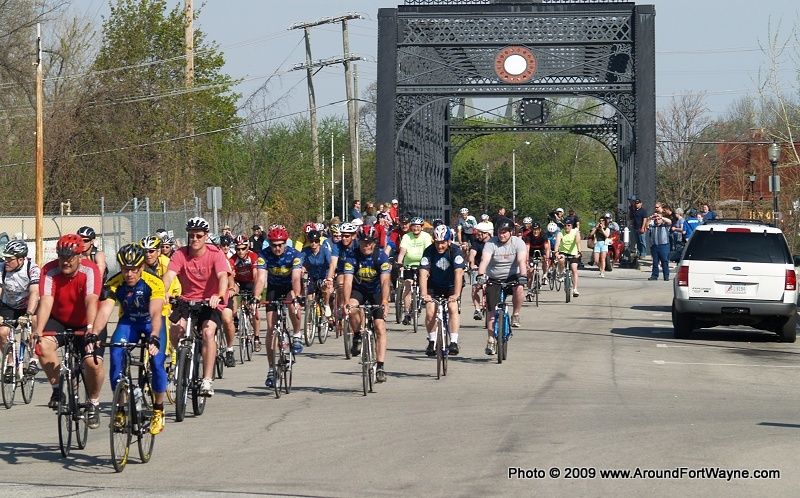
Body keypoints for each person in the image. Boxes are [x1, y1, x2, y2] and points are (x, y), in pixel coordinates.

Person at [94, 245, 167, 435]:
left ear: (142, 267)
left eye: (134, 269)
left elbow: (156, 312)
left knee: (157, 362)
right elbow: (104, 311)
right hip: (129, 323)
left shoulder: (154, 282)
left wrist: (154, 336)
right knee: (116, 354)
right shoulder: (115, 283)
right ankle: (120, 407)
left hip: (151, 323)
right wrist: (94, 333)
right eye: (125, 269)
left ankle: (158, 409)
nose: (129, 274)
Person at [33, 234, 104, 428]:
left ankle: (93, 403)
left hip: (86, 321)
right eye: (61, 257)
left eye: (70, 257)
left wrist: (90, 328)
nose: (65, 262)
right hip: (60, 319)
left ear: (79, 256)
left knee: (92, 363)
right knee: (42, 346)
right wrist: (39, 330)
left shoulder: (90, 270)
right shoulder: (49, 270)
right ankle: (58, 390)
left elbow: (91, 299)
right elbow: (46, 301)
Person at [162, 217, 230, 397]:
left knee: (208, 333)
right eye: (191, 235)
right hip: (186, 300)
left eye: (199, 236)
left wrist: (218, 295)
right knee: (175, 329)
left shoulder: (215, 253)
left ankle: (207, 379)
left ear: (206, 236)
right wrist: (164, 291)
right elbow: (169, 275)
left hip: (209, 302)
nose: (194, 239)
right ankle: (181, 359)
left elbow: (223, 277)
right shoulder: (180, 254)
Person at [253, 225, 303, 389]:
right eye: (274, 245)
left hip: (289, 287)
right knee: (270, 328)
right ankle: (271, 369)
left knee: (292, 302)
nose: (277, 248)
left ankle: (297, 334)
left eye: (280, 245)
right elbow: (261, 279)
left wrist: (297, 296)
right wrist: (256, 297)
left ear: (286, 243)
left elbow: (296, 279)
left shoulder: (294, 255)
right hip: (273, 289)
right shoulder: (264, 255)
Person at [341, 225, 391, 382]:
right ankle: (357, 335)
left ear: (374, 243)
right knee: (352, 308)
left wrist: (385, 301)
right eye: (363, 242)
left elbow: (385, 281)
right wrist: (346, 302)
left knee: (379, 326)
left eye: (369, 243)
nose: (366, 246)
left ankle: (380, 366)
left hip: (376, 292)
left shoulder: (381, 256)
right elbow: (347, 281)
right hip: (359, 290)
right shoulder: (352, 255)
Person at [476, 220, 527, 354]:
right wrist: (480, 275)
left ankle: (516, 314)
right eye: (499, 232)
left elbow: (522, 260)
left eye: (504, 232)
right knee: (491, 310)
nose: (502, 235)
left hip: (513, 276)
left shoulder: (518, 243)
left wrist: (523, 275)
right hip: (494, 278)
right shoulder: (491, 243)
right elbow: (485, 260)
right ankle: (491, 340)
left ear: (511, 232)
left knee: (519, 288)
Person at [419, 225, 464, 356]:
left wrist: (456, 294)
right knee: (430, 311)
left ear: (449, 241)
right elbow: (423, 273)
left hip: (451, 285)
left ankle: (454, 341)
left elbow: (458, 273)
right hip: (433, 285)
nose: (440, 246)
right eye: (437, 243)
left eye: (443, 243)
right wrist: (424, 294)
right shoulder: (429, 251)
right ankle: (432, 340)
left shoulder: (455, 251)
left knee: (452, 307)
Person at [0, 240, 40, 374]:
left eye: (10, 259)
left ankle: (34, 359)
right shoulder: (1, 268)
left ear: (21, 259)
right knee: (2, 332)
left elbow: (35, 292)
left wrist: (29, 314)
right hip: (10, 305)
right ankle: (11, 363)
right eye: (5, 258)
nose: (6, 261)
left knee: (35, 321)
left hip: (29, 305)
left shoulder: (32, 269)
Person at [396, 217, 433, 325]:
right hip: (409, 265)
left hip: (423, 265)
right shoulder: (406, 237)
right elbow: (402, 252)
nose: (416, 228)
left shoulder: (426, 236)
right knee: (408, 285)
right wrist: (400, 264)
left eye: (418, 226)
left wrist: (429, 265)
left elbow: (428, 252)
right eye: (414, 226)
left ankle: (420, 301)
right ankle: (407, 313)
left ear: (421, 227)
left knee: (423, 283)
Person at [299, 229, 333, 319]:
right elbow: (301, 264)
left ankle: (326, 305)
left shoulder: (325, 250)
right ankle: (311, 314)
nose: (314, 243)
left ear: (319, 242)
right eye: (311, 241)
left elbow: (331, 264)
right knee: (309, 296)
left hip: (323, 276)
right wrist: (301, 270)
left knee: (325, 288)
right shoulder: (305, 251)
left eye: (316, 241)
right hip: (312, 276)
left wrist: (330, 277)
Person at [469, 222, 493, 320]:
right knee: (475, 289)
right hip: (478, 268)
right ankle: (477, 309)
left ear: (487, 233)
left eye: (480, 233)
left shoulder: (494, 242)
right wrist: (472, 264)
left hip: (492, 269)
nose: (478, 235)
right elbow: (472, 254)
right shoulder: (476, 243)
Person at [554, 219, 582, 297]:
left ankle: (575, 289)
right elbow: (557, 243)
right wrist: (556, 252)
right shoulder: (560, 233)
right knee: (561, 260)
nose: (567, 227)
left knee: (574, 269)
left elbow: (578, 242)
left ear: (571, 226)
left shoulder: (575, 232)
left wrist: (579, 252)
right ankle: (561, 273)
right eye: (565, 225)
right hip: (563, 252)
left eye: (569, 225)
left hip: (573, 253)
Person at [522, 221, 551, 286]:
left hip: (541, 249)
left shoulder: (543, 235)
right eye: (534, 230)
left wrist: (547, 257)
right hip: (531, 249)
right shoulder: (528, 236)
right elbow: (527, 249)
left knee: (545, 259)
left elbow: (547, 248)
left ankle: (544, 275)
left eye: (537, 230)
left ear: (540, 230)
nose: (535, 232)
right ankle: (529, 286)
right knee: (530, 269)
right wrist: (527, 260)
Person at [647, 207, 672, 281]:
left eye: (659, 219)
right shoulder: (652, 226)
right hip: (654, 246)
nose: (657, 220)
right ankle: (654, 275)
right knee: (655, 262)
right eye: (656, 219)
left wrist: (661, 217)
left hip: (664, 246)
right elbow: (646, 225)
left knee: (664, 261)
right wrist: (650, 218)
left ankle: (666, 276)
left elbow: (670, 221)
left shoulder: (665, 226)